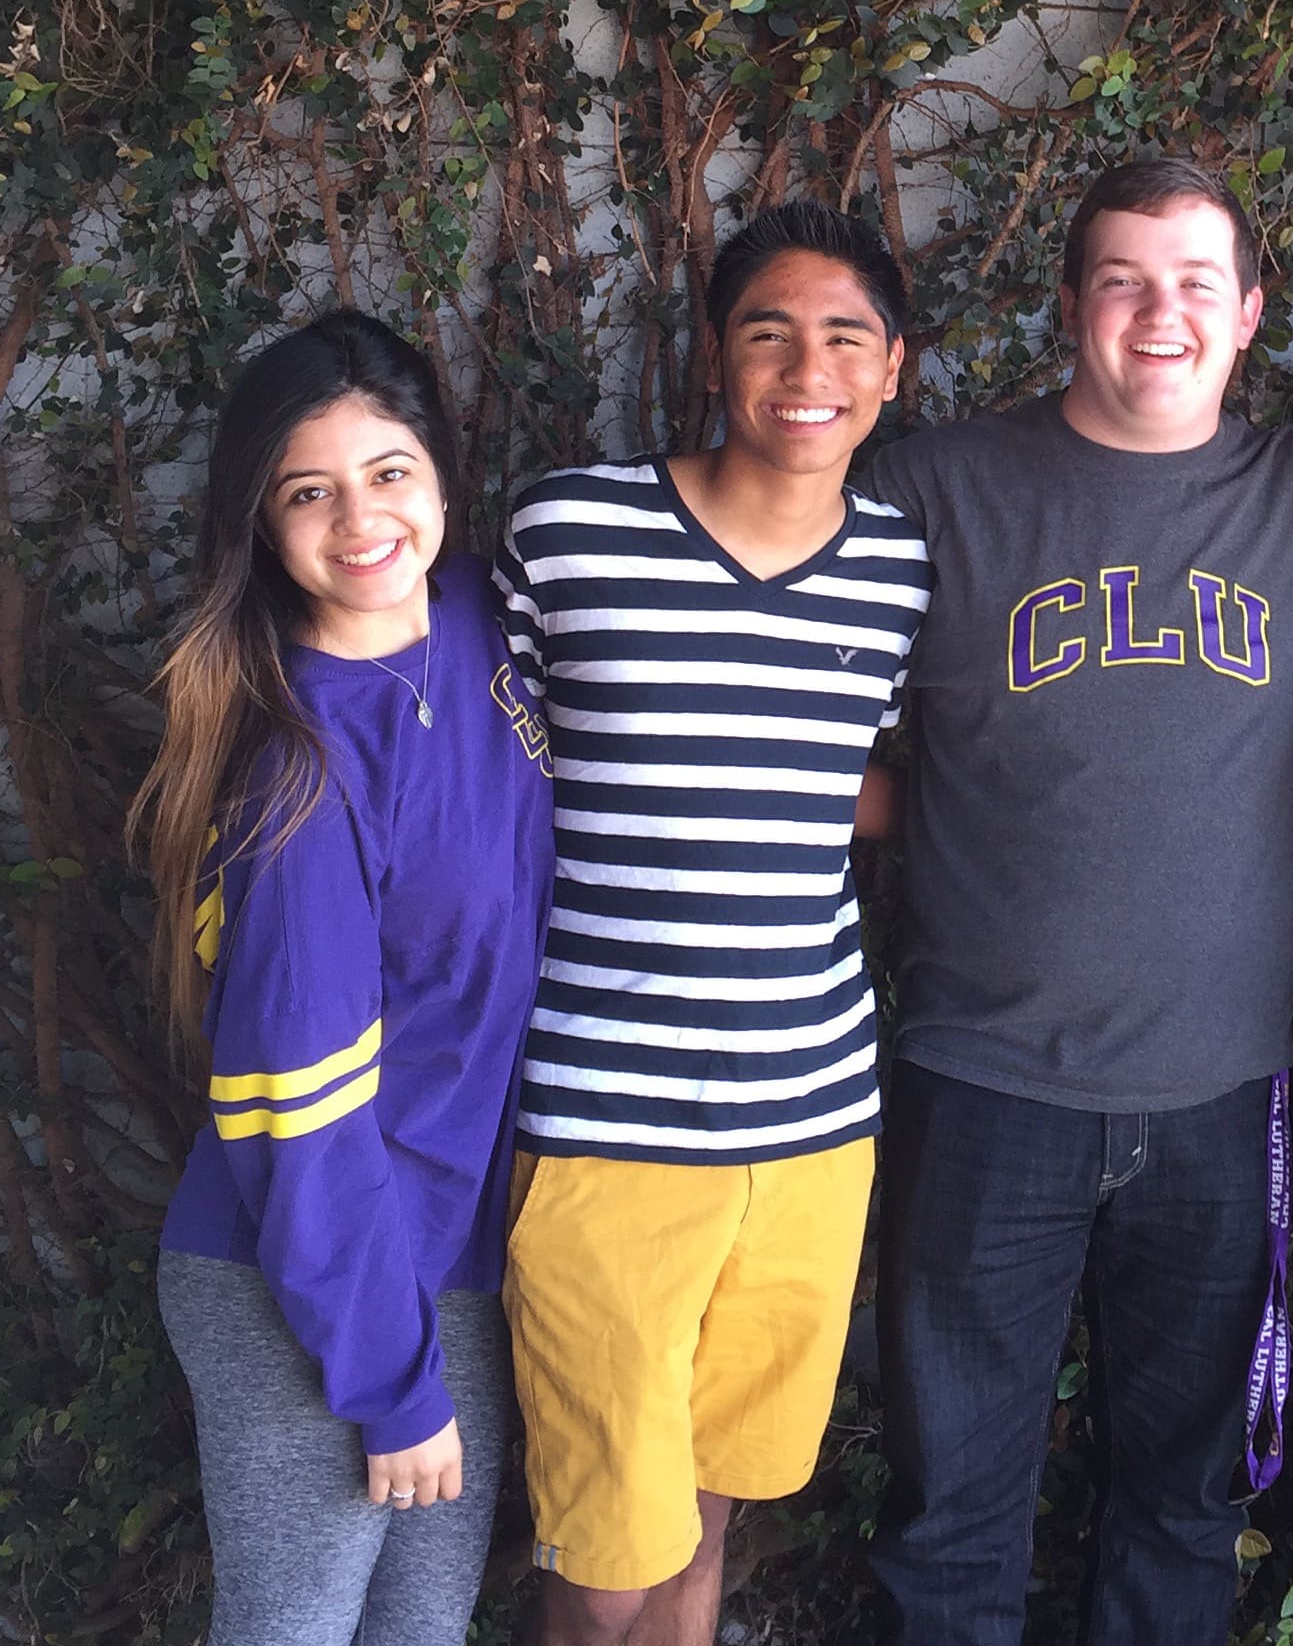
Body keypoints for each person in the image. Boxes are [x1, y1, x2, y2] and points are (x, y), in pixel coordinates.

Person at [860, 153, 1293, 1646]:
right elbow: (778, 693)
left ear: (1250, 313)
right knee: (949, 1511)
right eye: (1121, 281)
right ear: (1069, 307)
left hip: (1225, 1098)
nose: (1159, 314)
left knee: (1182, 1509)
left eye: (1194, 284)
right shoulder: (930, 491)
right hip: (984, 1086)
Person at [494, 202, 931, 1646]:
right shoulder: (570, 531)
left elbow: (870, 779)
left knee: (715, 1507)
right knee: (606, 1554)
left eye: (846, 338)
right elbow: (481, 784)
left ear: (893, 370)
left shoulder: (903, 572)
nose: (808, 369)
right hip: (605, 1123)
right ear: (714, 353)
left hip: (812, 1119)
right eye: (769, 332)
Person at [133, 312, 556, 1646]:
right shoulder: (302, 775)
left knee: (422, 1629)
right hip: (308, 1282)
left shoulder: (486, 620)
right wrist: (390, 1383)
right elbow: (295, 1114)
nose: (362, 520)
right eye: (308, 492)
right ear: (264, 526)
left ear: (441, 474)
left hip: (451, 1255)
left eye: (387, 472)